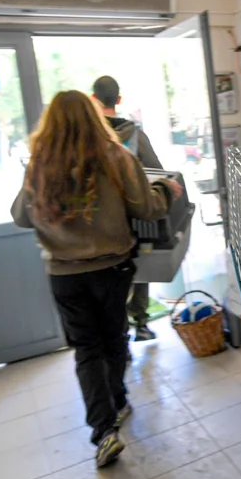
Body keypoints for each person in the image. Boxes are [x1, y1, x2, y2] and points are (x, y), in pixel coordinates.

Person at [12, 90, 182, 468]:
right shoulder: (115, 157)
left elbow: (21, 216)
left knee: (87, 349)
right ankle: (118, 400)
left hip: (64, 274)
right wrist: (165, 190)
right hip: (111, 268)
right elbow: (147, 207)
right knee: (114, 337)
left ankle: (104, 431)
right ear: (94, 118)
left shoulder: (40, 164)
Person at [92, 75, 165, 342]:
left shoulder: (89, 137)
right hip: (134, 214)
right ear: (118, 99)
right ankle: (141, 323)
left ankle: (117, 331)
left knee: (109, 276)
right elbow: (157, 170)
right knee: (138, 266)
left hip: (100, 220)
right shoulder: (134, 135)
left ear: (93, 99)